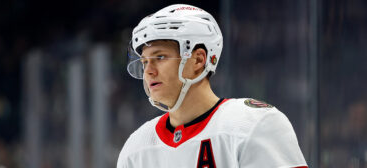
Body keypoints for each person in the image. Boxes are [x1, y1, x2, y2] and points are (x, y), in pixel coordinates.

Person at [118, 4, 308, 168]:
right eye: (144, 62)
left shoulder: (254, 124)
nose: (148, 71)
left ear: (199, 60)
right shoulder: (137, 147)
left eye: (160, 57)